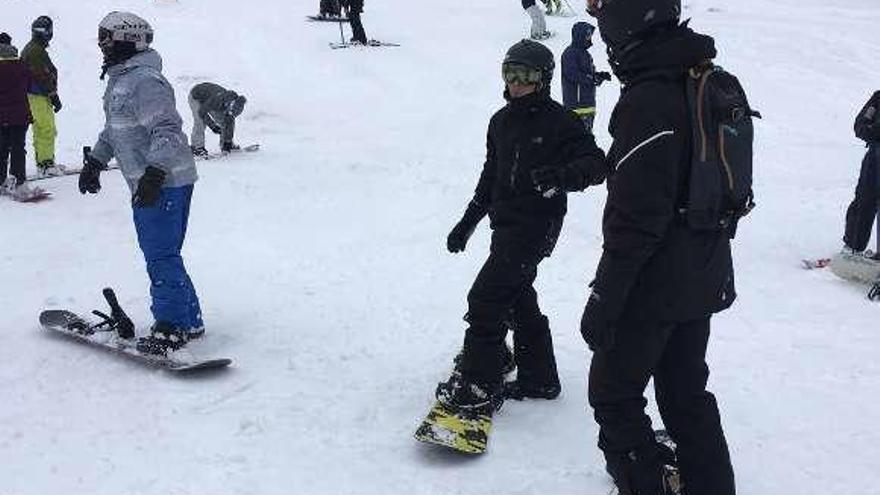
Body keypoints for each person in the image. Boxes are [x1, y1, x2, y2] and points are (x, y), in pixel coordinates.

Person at [580, 1, 737, 494]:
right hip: (703, 269)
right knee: (685, 391)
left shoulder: (650, 98)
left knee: (614, 395)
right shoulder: (705, 79)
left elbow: (635, 220)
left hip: (654, 281)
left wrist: (605, 298)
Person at [438, 39, 606, 412]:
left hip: (538, 225)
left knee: (486, 298)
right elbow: (490, 177)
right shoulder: (500, 122)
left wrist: (562, 176)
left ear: (543, 79)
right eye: (510, 74)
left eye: (525, 75)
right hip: (506, 225)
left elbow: (596, 164)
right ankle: (540, 378)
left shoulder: (561, 121)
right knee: (517, 296)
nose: (515, 83)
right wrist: (467, 223)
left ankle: (479, 387)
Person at [80, 11, 203, 356]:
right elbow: (115, 129)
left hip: (165, 179)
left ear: (127, 40)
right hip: (151, 179)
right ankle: (189, 318)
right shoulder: (121, 79)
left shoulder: (145, 81)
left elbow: (166, 130)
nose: (102, 46)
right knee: (164, 252)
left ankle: (172, 325)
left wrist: (155, 172)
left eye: (107, 39)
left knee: (159, 254)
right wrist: (96, 160)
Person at [20, 15, 63, 177]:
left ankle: (43, 162)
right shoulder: (35, 51)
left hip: (34, 95)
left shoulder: (33, 48)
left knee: (41, 129)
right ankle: (46, 164)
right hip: (37, 95)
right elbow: (41, 75)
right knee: (46, 128)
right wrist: (53, 96)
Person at [0, 33, 40, 200]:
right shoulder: (22, 66)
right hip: (19, 115)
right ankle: (19, 181)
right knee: (18, 148)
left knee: (1, 148)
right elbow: (31, 84)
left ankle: (1, 180)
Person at [843, 91, 880, 258]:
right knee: (864, 200)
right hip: (875, 157)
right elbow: (860, 125)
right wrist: (873, 131)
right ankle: (853, 247)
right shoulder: (878, 99)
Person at [561, 21, 611, 132]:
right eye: (587, 35)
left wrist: (599, 76)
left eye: (590, 35)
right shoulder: (570, 53)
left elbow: (587, 75)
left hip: (587, 104)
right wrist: (591, 78)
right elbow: (572, 74)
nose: (589, 38)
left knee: (586, 138)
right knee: (578, 140)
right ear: (580, 36)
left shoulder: (585, 53)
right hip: (577, 106)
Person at [188, 82, 247, 157]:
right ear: (229, 105)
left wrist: (227, 142)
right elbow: (202, 112)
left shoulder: (234, 104)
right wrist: (213, 126)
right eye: (230, 112)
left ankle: (224, 145)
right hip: (196, 96)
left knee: (227, 120)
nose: (231, 114)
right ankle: (197, 148)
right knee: (200, 122)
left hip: (210, 99)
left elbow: (229, 120)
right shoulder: (217, 101)